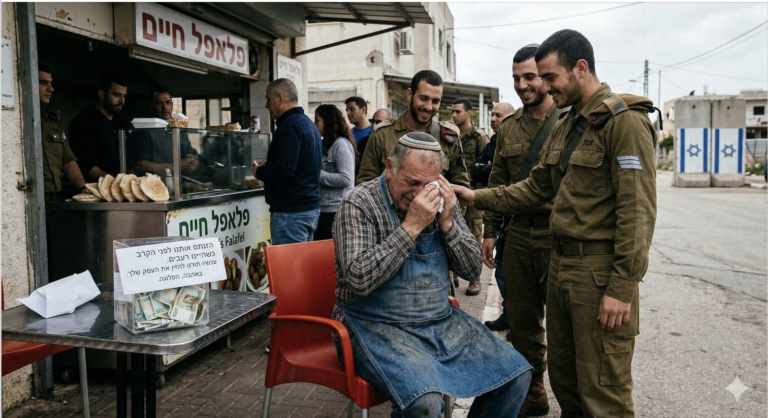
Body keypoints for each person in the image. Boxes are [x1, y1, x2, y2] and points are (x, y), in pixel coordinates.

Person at [453, 29, 657, 418]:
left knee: (603, 392)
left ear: (580, 68)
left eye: (550, 78)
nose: (543, 87)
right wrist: (475, 197)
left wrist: (622, 287)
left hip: (597, 275)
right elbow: (535, 188)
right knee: (567, 382)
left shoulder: (624, 122)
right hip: (561, 265)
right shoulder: (571, 123)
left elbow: (638, 213)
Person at [333, 132, 532, 418]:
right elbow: (359, 280)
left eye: (428, 184)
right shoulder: (359, 203)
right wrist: (411, 226)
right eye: (411, 182)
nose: (418, 194)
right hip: (372, 324)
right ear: (390, 167)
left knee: (516, 376)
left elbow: (471, 269)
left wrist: (449, 223)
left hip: (438, 322)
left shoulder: (441, 201)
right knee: (424, 402)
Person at [485, 43, 569, 418]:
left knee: (565, 323)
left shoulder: (570, 121)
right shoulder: (510, 127)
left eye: (530, 76)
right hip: (518, 234)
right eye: (516, 78)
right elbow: (499, 181)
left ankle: (575, 396)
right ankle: (534, 391)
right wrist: (490, 231)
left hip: (558, 235)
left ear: (547, 76)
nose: (522, 84)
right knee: (521, 320)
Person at [356, 70, 470, 190]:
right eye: (423, 98)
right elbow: (365, 185)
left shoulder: (448, 137)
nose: (428, 107)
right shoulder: (382, 134)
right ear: (410, 95)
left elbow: (461, 188)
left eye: (435, 101)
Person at [253, 78, 322, 245]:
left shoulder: (289, 126)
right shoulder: (308, 124)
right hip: (307, 209)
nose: (266, 105)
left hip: (291, 213)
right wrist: (270, 164)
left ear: (281, 98)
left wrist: (259, 172)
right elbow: (299, 165)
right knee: (302, 267)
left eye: (269, 99)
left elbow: (285, 170)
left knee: (289, 270)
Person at [472, 102, 514, 334]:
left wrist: (488, 168)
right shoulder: (493, 143)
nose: (494, 119)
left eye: (498, 115)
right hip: (499, 216)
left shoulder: (513, 140)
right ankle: (508, 315)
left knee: (514, 278)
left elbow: (509, 179)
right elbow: (476, 170)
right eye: (492, 115)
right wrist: (488, 168)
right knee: (501, 272)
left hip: (515, 215)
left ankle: (515, 319)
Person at [451, 98, 489, 296]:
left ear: (469, 113)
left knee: (473, 236)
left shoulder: (479, 137)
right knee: (451, 233)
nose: (454, 115)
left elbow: (487, 168)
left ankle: (475, 279)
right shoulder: (451, 135)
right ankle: (454, 275)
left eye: (458, 112)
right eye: (453, 112)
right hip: (454, 194)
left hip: (473, 195)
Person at [38, 64, 87, 201]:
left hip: (55, 197)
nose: (51, 89)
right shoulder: (22, 120)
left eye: (51, 83)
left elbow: (67, 158)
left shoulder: (51, 120)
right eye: (43, 83)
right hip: (31, 197)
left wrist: (82, 188)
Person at [69, 75, 128, 180]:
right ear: (102, 94)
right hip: (95, 189)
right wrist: (113, 181)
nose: (121, 101)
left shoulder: (121, 122)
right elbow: (85, 163)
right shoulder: (84, 122)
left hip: (121, 186)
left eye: (124, 96)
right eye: (116, 95)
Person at [130, 88, 199, 177]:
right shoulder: (143, 131)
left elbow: (191, 156)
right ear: (151, 107)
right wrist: (176, 166)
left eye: (167, 102)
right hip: (153, 184)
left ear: (172, 105)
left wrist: (192, 160)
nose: (165, 107)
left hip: (178, 185)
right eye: (159, 103)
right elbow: (140, 166)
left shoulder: (178, 130)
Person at [313, 104, 357, 241]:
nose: (315, 124)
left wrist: (316, 174)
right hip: (324, 208)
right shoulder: (325, 143)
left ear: (328, 121)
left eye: (317, 120)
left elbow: (346, 178)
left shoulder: (341, 144)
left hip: (336, 210)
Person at [355, 108, 390, 177]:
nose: (374, 125)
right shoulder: (363, 142)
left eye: (378, 122)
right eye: (372, 121)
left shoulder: (392, 141)